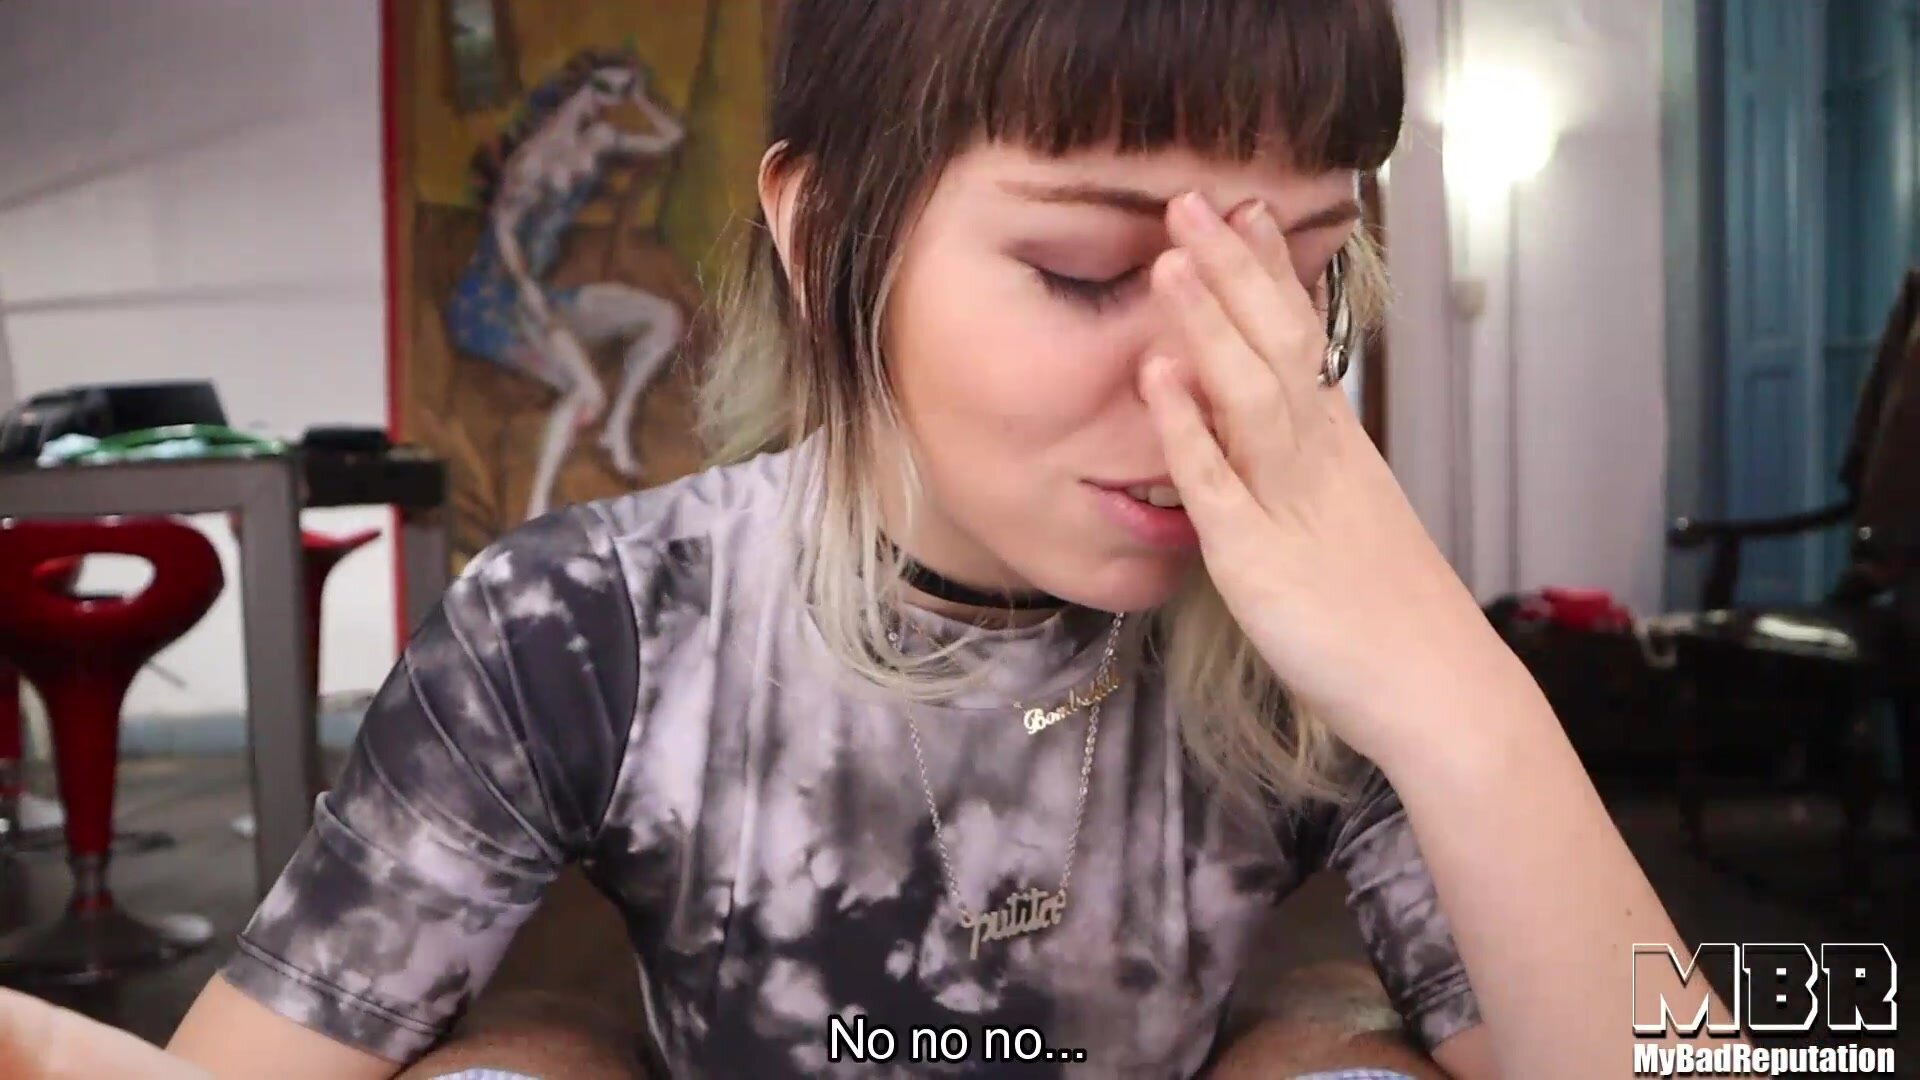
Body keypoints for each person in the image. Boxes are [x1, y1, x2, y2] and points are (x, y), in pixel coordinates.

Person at [11, 1, 1741, 1077]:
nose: (1217, 387)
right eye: (1085, 271)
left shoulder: (1318, 647)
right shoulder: (589, 627)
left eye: (1296, 282)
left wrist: (1452, 687)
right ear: (824, 227)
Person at [444, 48, 689, 522]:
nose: (607, 101)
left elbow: (671, 136)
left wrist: (640, 99)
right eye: (602, 88)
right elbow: (504, 231)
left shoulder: (598, 141)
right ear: (575, 89)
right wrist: (529, 296)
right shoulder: (533, 159)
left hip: (541, 291)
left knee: (665, 318)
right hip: (497, 301)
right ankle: (536, 508)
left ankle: (616, 427)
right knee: (586, 393)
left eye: (619, 90)